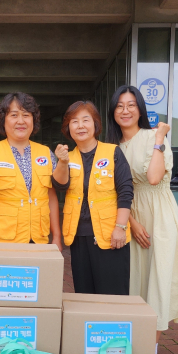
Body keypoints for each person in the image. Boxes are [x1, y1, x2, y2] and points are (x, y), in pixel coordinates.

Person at [107, 84, 178, 339]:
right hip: (128, 216)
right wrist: (131, 223)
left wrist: (159, 140)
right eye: (119, 106)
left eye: (131, 105)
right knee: (135, 280)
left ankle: (151, 351)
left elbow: (154, 178)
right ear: (113, 111)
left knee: (156, 280)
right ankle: (133, 345)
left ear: (140, 110)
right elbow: (113, 192)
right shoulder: (112, 147)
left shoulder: (153, 137)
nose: (125, 111)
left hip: (158, 215)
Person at [52, 100, 133, 295]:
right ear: (68, 128)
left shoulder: (113, 152)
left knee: (112, 295)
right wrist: (62, 162)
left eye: (85, 120)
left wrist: (120, 227)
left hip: (111, 235)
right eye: (74, 121)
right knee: (84, 294)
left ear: (95, 124)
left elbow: (126, 191)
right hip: (79, 236)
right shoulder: (67, 157)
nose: (80, 126)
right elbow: (60, 186)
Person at [0, 92, 69, 248]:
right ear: (3, 120)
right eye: (14, 115)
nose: (21, 121)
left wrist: (57, 236)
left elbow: (50, 198)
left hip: (37, 240)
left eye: (26, 115)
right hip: (2, 241)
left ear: (33, 120)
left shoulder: (46, 153)